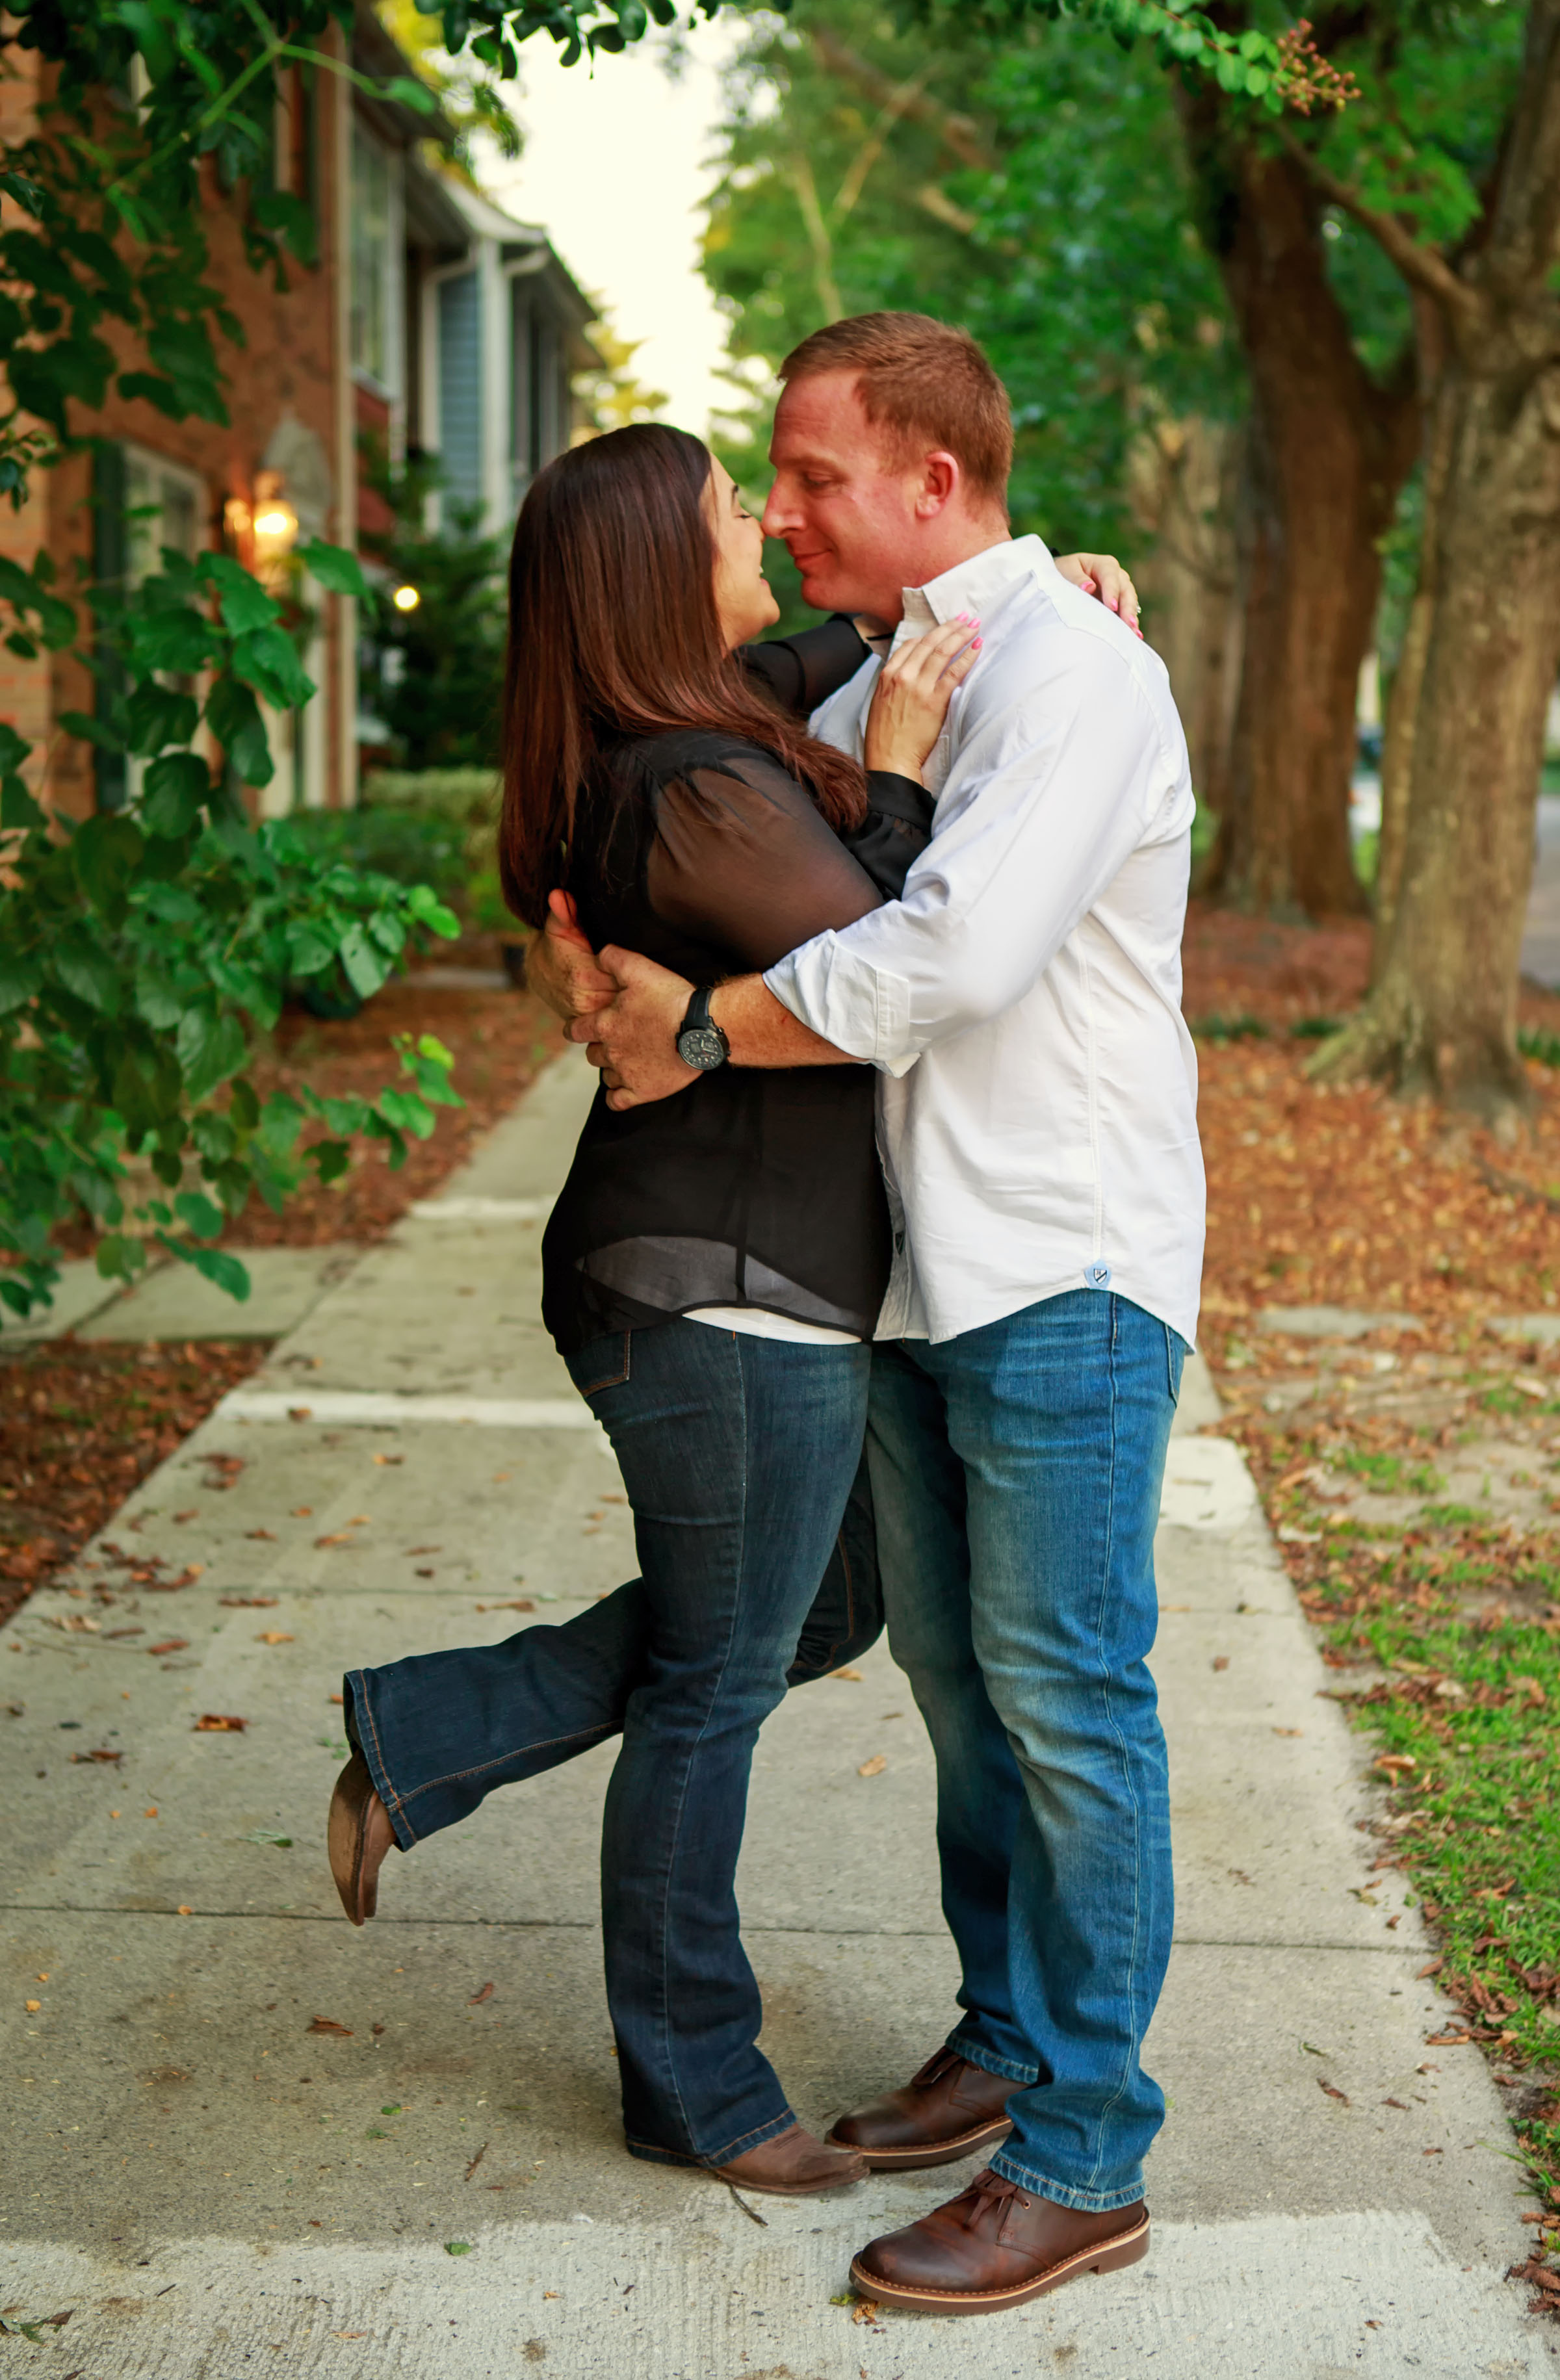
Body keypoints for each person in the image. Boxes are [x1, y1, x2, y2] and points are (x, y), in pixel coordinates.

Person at [328, 419, 1133, 2201]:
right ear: (653, 577)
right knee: (715, 1683)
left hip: (730, 1282)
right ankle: (692, 2078)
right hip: (718, 1290)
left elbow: (820, 635)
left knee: (813, 1610)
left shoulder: (692, 733)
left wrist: (1032, 587)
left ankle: (433, 1733)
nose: (763, 518)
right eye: (726, 508)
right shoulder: (687, 783)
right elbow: (878, 956)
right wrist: (910, 763)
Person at [551, 313, 1205, 2315]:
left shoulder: (1077, 672)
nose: (783, 507)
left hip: (1063, 1264)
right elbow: (700, 719)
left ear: (936, 483)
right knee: (965, 1694)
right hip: (928, 1271)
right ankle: (1007, 2044)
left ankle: (1086, 2149)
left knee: (1073, 1701)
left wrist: (696, 1029)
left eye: (816, 475)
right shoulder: (917, 656)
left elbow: (949, 959)